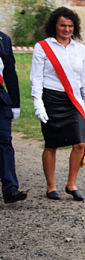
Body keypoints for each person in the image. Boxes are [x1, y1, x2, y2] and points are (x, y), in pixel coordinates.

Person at [30, 7, 85, 201]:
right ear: (54, 26)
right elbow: (36, 78)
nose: (66, 29)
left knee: (79, 144)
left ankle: (71, 184)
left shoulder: (80, 49)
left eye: (70, 26)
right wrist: (38, 104)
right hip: (51, 99)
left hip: (73, 100)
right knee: (51, 144)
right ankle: (51, 186)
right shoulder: (42, 47)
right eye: (62, 25)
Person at [0, 30, 27, 204]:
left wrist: (15, 103)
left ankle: (10, 189)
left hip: (1, 98)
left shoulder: (4, 39)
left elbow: (10, 72)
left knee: (4, 140)